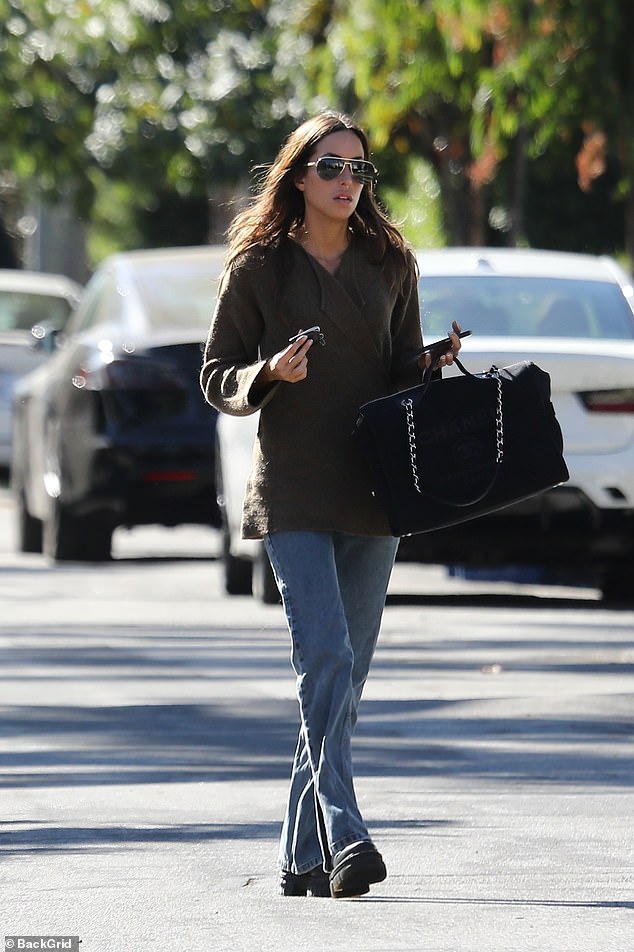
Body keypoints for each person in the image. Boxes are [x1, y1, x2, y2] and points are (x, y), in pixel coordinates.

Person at [200, 111, 461, 899]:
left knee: (340, 682)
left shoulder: (390, 264)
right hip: (296, 490)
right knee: (327, 659)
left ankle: (300, 856)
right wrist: (269, 373)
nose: (348, 183)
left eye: (359, 170)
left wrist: (430, 364)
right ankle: (347, 832)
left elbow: (394, 375)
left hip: (375, 492)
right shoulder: (259, 270)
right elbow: (216, 375)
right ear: (298, 176)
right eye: (332, 168)